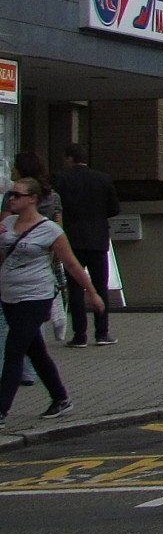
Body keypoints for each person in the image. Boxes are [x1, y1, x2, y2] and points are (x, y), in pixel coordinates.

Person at [1, 172, 99, 423]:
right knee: (36, 351)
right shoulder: (7, 223)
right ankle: (61, 399)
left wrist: (93, 293)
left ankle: (1, 410)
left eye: (17, 195)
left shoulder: (50, 230)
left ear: (32, 199)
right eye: (10, 193)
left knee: (13, 351)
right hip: (9, 296)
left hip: (36, 297)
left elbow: (73, 265)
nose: (10, 198)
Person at [52, 144, 119, 346]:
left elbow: (57, 208)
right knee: (100, 286)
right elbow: (114, 208)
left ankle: (79, 335)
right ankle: (102, 332)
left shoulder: (61, 179)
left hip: (71, 240)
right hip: (98, 239)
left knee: (75, 288)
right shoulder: (103, 179)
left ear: (70, 158)